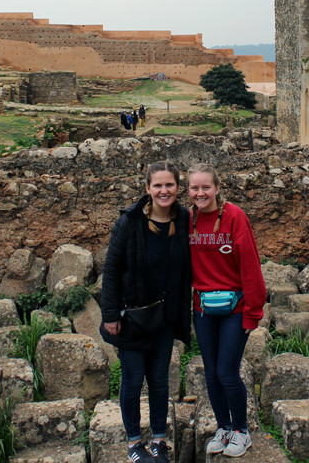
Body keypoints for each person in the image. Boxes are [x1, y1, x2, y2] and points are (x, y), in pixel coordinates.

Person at [100, 161, 191, 463]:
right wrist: (110, 314)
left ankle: (159, 441)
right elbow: (112, 268)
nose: (164, 191)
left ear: (178, 188)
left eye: (170, 185)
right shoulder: (130, 222)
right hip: (133, 317)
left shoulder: (184, 219)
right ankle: (134, 443)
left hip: (165, 318)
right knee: (133, 379)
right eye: (158, 185)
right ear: (148, 189)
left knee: (160, 380)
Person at [186, 163, 266, 458]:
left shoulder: (235, 217)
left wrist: (253, 312)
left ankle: (241, 431)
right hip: (203, 308)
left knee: (227, 372)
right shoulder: (188, 220)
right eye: (194, 188)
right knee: (211, 374)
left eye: (206, 187)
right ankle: (224, 427)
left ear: (217, 188)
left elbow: (250, 265)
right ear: (188, 191)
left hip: (236, 308)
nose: (200, 193)